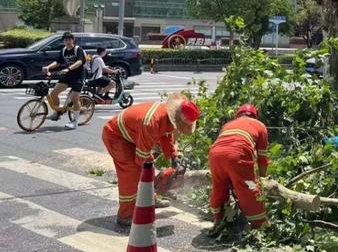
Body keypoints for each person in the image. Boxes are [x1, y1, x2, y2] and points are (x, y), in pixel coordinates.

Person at [102, 94, 200, 227]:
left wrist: (173, 156)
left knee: (148, 168)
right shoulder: (151, 122)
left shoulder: (167, 118)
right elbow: (141, 158)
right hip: (116, 136)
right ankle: (125, 215)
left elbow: (166, 135)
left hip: (132, 135)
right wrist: (159, 172)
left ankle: (149, 200)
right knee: (131, 174)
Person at [209, 103, 270, 229]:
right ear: (255, 116)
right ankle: (260, 225)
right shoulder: (260, 126)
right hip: (238, 155)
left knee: (219, 186)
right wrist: (262, 180)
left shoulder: (228, 125)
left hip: (215, 155)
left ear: (237, 114)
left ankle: (219, 219)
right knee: (249, 187)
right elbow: (262, 158)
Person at [41, 31, 86, 130]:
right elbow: (58, 62)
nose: (67, 42)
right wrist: (48, 67)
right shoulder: (64, 50)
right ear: (64, 41)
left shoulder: (78, 49)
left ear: (73, 40)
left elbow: (79, 62)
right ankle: (57, 113)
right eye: (66, 40)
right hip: (67, 75)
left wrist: (68, 68)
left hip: (78, 76)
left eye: (69, 39)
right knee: (53, 93)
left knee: (74, 98)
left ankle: (74, 122)